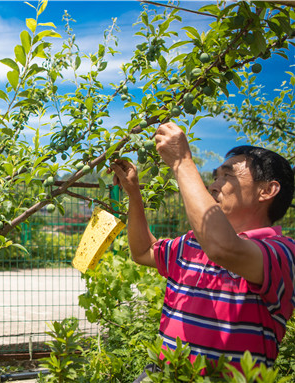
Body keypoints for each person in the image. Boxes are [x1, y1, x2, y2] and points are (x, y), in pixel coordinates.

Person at [110, 122, 295, 379]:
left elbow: (224, 248)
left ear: (267, 190)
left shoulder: (282, 252)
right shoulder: (194, 243)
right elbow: (143, 252)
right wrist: (133, 193)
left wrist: (182, 162)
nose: (214, 186)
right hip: (162, 374)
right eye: (215, 177)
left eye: (227, 176)